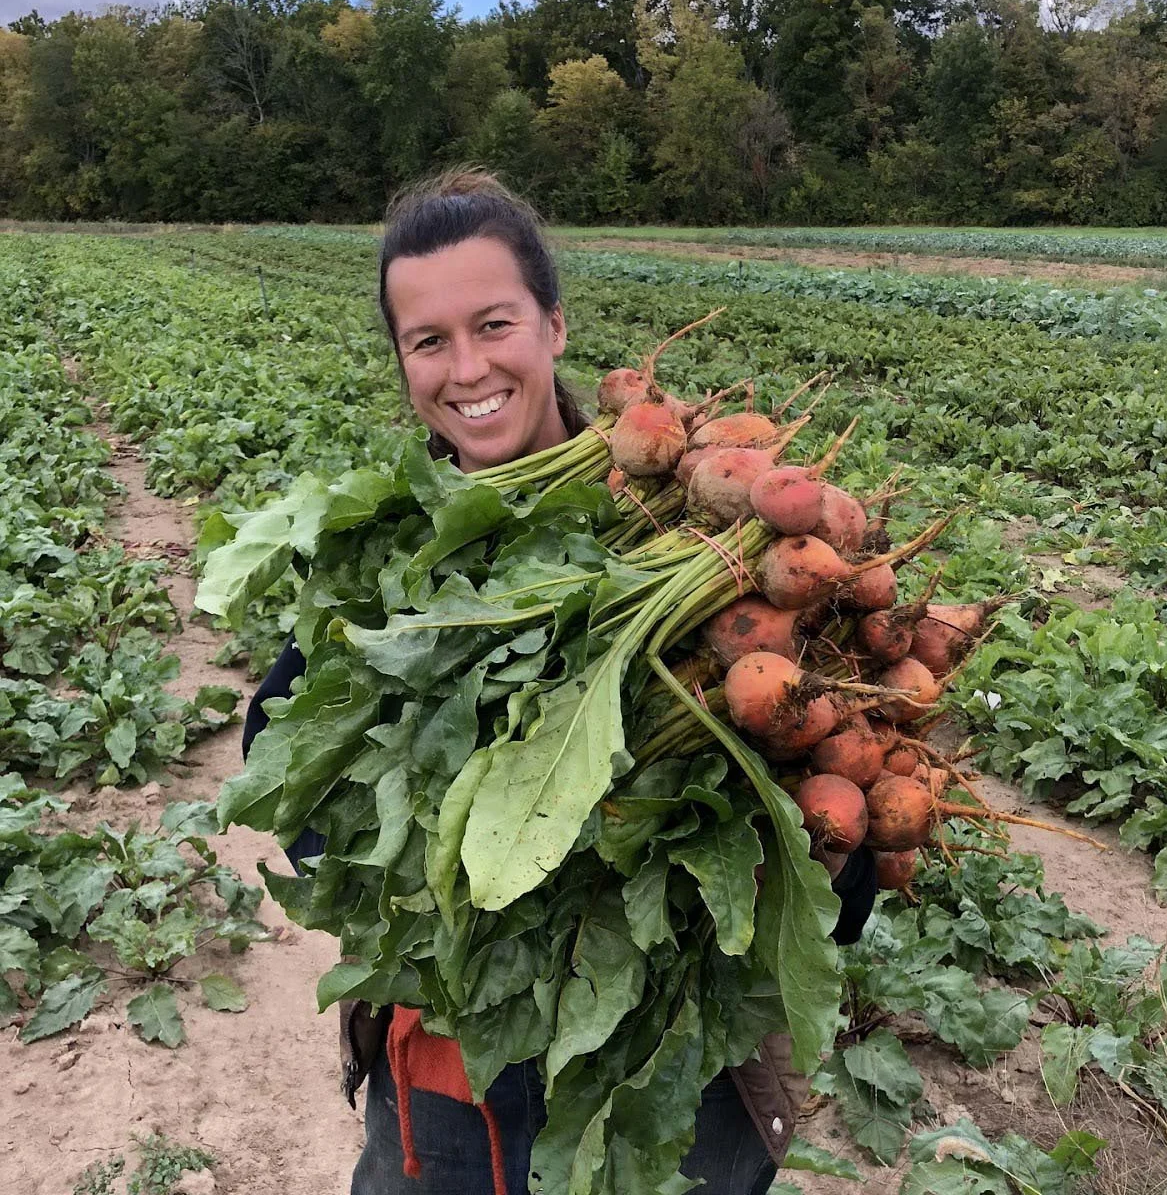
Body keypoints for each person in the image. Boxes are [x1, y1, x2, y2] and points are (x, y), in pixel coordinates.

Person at [241, 168, 878, 1195]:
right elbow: (288, 777)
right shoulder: (392, 559)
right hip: (454, 1080)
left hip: (668, 1072)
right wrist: (443, 879)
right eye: (428, 340)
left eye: (493, 323)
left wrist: (804, 852)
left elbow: (831, 866)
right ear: (402, 361)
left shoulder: (677, 524)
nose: (466, 367)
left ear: (552, 326)